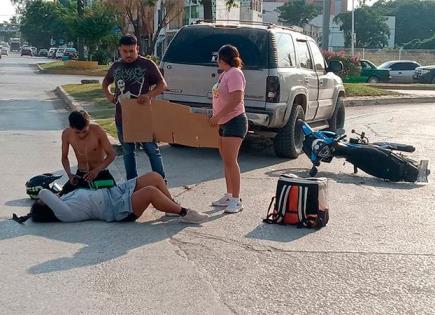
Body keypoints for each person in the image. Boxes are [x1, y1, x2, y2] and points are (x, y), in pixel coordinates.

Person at [102, 34, 167, 180]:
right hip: (122, 117)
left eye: (132, 51)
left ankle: (161, 181)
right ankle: (132, 183)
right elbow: (105, 82)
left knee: (152, 150)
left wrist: (148, 95)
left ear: (137, 48)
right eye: (125, 51)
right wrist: (109, 95)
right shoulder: (116, 66)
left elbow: (162, 85)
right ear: (120, 50)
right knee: (127, 152)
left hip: (142, 116)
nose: (128, 54)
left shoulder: (147, 64)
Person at [33, 172, 209, 224]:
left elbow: (50, 195)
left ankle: (171, 207)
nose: (53, 196)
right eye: (47, 202)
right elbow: (43, 193)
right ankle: (185, 213)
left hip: (114, 192)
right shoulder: (65, 214)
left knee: (155, 177)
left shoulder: (64, 199)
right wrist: (39, 197)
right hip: (116, 209)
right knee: (150, 191)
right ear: (48, 207)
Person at [209, 45, 248, 214]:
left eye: (219, 57)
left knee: (231, 161)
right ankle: (229, 194)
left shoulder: (235, 73)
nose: (217, 60)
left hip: (234, 121)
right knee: (226, 160)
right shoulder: (224, 74)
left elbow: (235, 99)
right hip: (223, 121)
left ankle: (236, 199)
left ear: (225, 58)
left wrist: (218, 117)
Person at [61, 110, 116, 196]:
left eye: (84, 131)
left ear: (88, 124)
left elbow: (111, 155)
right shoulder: (66, 134)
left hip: (101, 173)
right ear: (71, 127)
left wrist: (96, 170)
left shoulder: (97, 131)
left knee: (116, 200)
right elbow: (64, 157)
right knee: (61, 199)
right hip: (81, 175)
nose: (81, 135)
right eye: (77, 132)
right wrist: (69, 175)